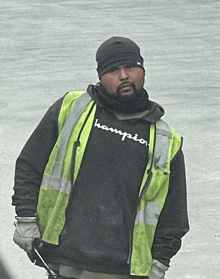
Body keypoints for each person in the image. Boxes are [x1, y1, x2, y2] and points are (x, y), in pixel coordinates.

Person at [12, 36, 189, 279]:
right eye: (113, 70)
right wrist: (25, 217)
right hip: (64, 260)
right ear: (100, 76)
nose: (124, 75)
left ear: (143, 71)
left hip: (120, 269)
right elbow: (29, 165)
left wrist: (160, 262)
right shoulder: (70, 108)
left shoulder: (166, 140)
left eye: (131, 67)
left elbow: (174, 215)